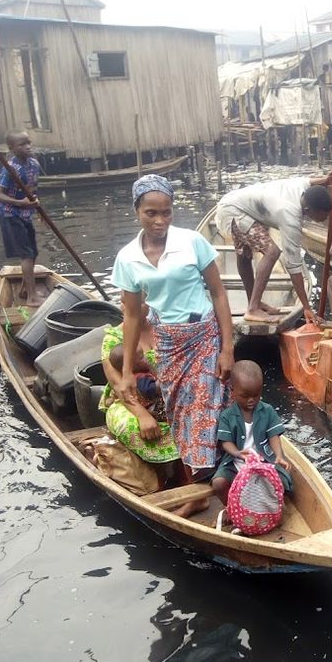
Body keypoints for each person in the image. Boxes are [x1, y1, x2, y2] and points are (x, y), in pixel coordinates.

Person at [111, 174, 234, 489]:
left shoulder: (192, 242)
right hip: (168, 343)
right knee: (180, 411)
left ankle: (213, 476)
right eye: (151, 213)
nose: (159, 220)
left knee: (208, 404)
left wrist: (227, 349)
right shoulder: (127, 258)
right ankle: (200, 473)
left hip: (204, 335)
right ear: (137, 210)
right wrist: (125, 371)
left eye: (166, 212)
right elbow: (133, 316)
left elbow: (219, 294)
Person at [213, 170, 332, 324]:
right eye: (324, 215)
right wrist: (307, 307)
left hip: (233, 203)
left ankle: (254, 303)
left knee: (245, 254)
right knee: (272, 252)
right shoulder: (290, 216)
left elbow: (307, 180)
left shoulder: (300, 188)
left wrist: (325, 180)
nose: (326, 218)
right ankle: (253, 309)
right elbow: (293, 266)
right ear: (308, 211)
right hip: (232, 211)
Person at [100, 304, 179, 466]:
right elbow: (117, 384)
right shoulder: (113, 338)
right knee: (130, 427)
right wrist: (143, 416)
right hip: (129, 402)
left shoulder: (165, 328)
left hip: (168, 396)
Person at [211, 360, 292, 506]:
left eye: (256, 395)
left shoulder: (267, 411)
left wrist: (279, 455)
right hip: (237, 463)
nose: (251, 400)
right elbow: (225, 442)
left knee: (282, 480)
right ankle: (232, 508)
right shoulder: (227, 416)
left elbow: (273, 435)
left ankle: (275, 506)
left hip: (264, 462)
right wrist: (238, 453)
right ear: (232, 390)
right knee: (218, 484)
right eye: (245, 396)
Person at [0, 131, 45, 305]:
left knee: (33, 252)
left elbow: (32, 190)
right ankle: (32, 297)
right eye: (22, 144)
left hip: (25, 213)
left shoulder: (33, 164)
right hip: (10, 214)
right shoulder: (10, 168)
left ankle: (25, 290)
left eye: (28, 143)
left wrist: (37, 207)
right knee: (26, 254)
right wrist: (20, 202)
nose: (28, 147)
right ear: (11, 148)